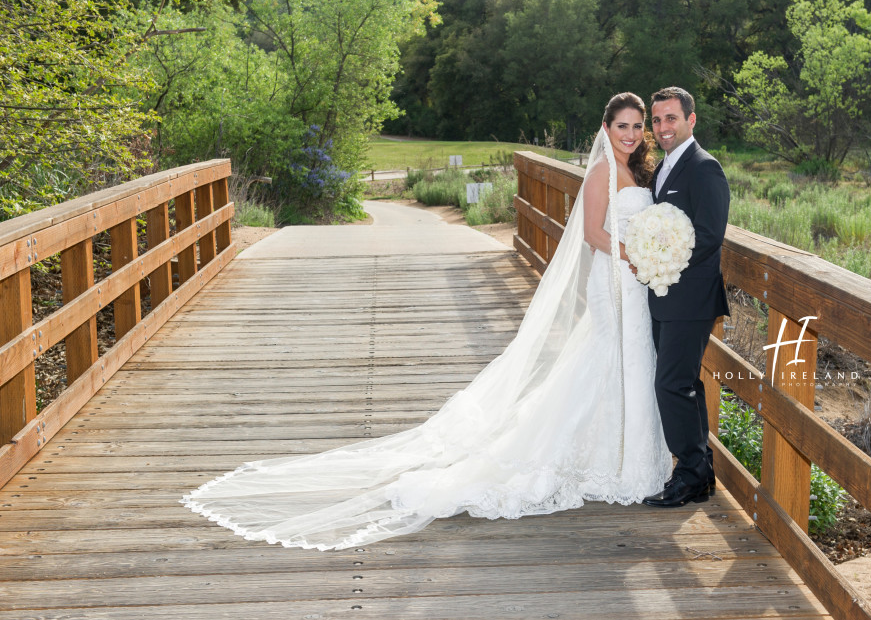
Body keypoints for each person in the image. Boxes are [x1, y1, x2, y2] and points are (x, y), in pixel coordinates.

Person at [183, 93, 672, 550]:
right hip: (616, 282)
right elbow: (591, 234)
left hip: (635, 282)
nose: (630, 134)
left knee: (627, 364)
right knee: (608, 359)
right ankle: (604, 460)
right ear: (605, 128)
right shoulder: (600, 173)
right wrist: (636, 256)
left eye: (636, 127)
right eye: (621, 126)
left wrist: (653, 253)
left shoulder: (639, 170)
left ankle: (624, 458)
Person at [641, 87, 730, 509]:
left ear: (691, 120)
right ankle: (702, 472)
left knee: (671, 384)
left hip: (690, 298)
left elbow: (709, 236)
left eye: (671, 118)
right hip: (666, 296)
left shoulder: (704, 168)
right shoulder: (664, 167)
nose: (662, 128)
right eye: (657, 121)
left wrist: (662, 262)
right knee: (686, 383)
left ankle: (688, 474)